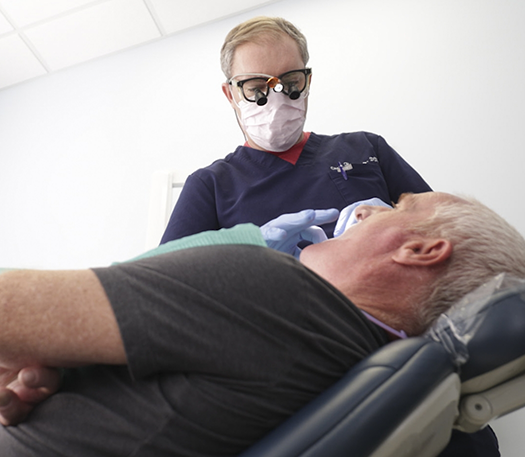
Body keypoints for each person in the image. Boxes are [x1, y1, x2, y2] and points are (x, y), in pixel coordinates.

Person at [0, 192, 524, 456]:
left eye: (398, 207)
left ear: (420, 249)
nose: (362, 212)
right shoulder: (350, 365)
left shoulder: (278, 291)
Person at [160, 16, 431, 243]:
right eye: (257, 88)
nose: (276, 99)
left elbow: (446, 224)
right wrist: (250, 264)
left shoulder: (366, 148)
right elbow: (164, 285)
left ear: (307, 81)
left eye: (290, 83)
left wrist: (399, 225)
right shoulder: (210, 187)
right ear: (231, 95)